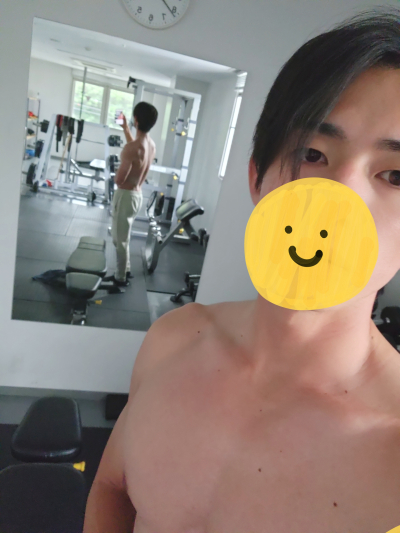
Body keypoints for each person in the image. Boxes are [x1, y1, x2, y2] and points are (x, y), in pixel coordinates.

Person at [84, 8, 400, 532]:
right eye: (312, 153)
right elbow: (112, 487)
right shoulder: (172, 340)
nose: (338, 198)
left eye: (395, 175)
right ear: (258, 179)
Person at [109, 102, 157, 286]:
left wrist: (117, 170)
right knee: (124, 236)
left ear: (136, 119)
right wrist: (125, 129)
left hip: (125, 196)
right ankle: (126, 270)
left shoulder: (131, 149)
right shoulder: (150, 145)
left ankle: (120, 278)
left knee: (118, 240)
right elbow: (135, 151)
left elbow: (119, 180)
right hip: (137, 196)